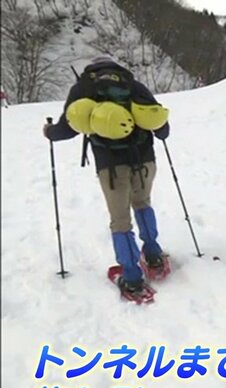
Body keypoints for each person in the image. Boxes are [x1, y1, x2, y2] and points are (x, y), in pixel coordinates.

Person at [43, 55, 171, 296]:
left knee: (120, 219)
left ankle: (132, 278)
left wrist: (49, 132)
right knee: (143, 203)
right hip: (144, 160)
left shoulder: (84, 88)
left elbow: (67, 128)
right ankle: (153, 255)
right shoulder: (133, 85)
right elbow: (162, 127)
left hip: (111, 166)